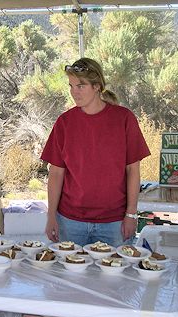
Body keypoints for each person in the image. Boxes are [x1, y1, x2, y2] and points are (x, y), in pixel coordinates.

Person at [40, 58, 150, 247]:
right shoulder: (64, 123)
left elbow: (133, 171)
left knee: (114, 275)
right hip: (70, 221)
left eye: (81, 86)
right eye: (71, 86)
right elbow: (56, 173)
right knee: (71, 276)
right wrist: (51, 216)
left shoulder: (124, 119)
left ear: (97, 86)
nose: (74, 92)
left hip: (114, 222)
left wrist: (131, 214)